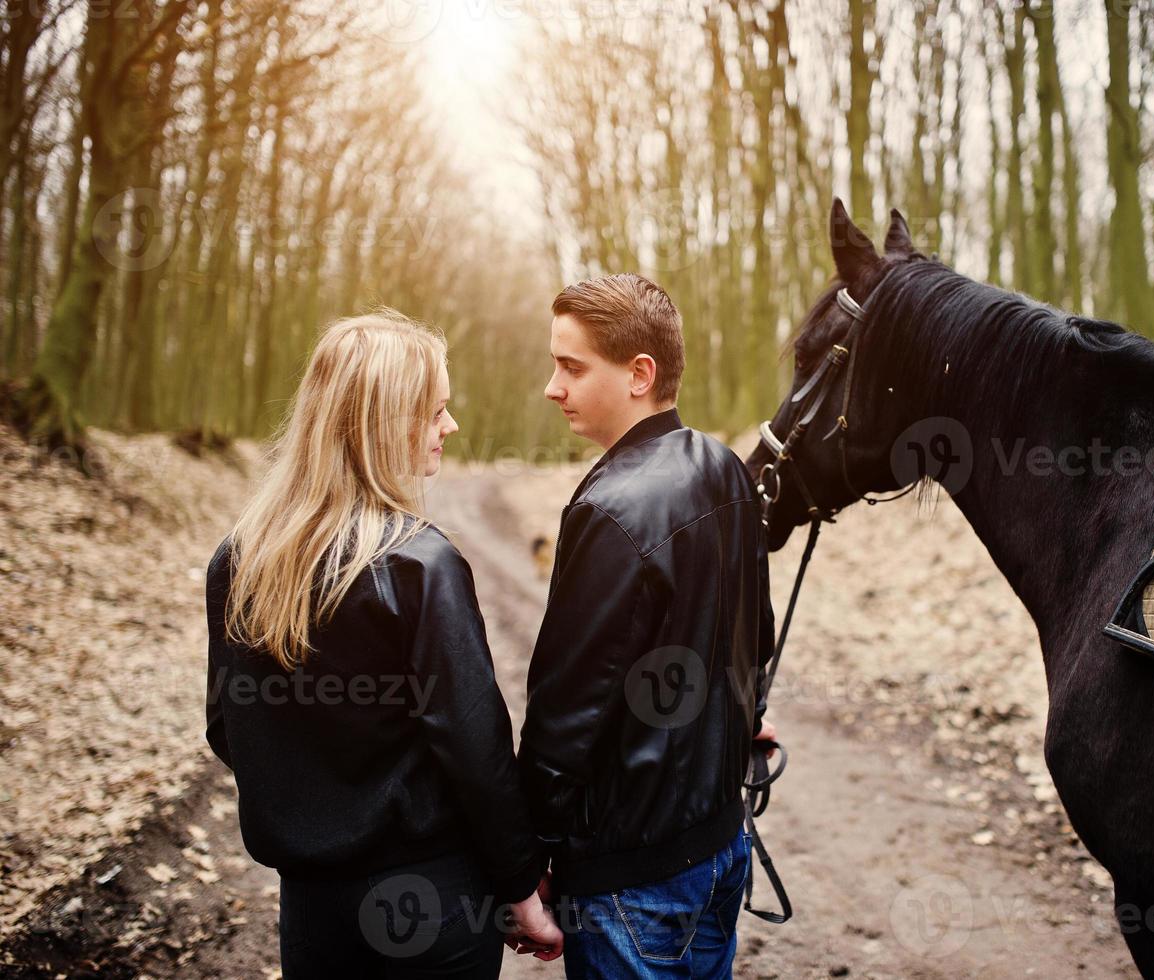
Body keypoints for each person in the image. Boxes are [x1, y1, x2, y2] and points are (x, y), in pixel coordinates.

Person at [204, 309, 562, 977]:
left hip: (311, 910)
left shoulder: (237, 558)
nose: (449, 428)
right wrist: (519, 885)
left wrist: (316, 808)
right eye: (435, 412)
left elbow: (228, 726)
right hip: (431, 905)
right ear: (385, 423)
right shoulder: (416, 563)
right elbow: (473, 748)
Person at [520, 274, 776, 978]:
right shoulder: (725, 468)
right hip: (720, 850)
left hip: (630, 883)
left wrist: (529, 857)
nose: (552, 386)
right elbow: (758, 636)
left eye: (571, 366)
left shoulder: (609, 508)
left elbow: (567, 712)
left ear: (639, 374)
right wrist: (744, 720)